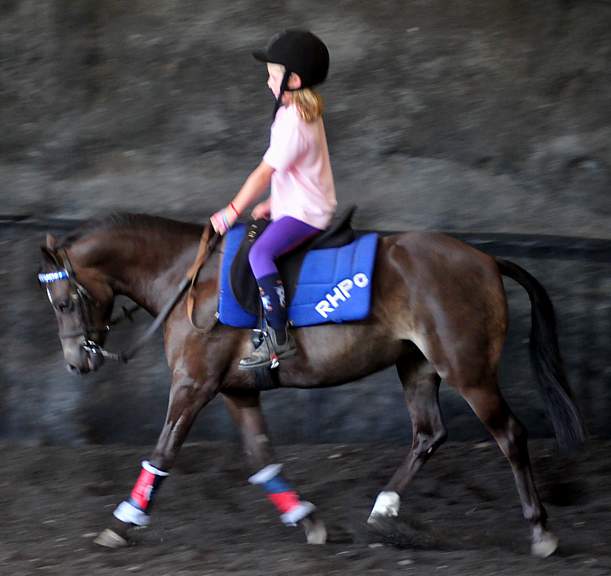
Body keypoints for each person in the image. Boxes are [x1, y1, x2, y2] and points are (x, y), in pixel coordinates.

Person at [210, 29, 337, 370]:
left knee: (261, 252)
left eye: (273, 76)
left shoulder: (295, 121)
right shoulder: (292, 112)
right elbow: (294, 171)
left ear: (293, 80)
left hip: (307, 213)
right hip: (298, 204)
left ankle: (279, 337)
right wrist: (274, 204)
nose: (268, 83)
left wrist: (232, 210)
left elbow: (264, 172)